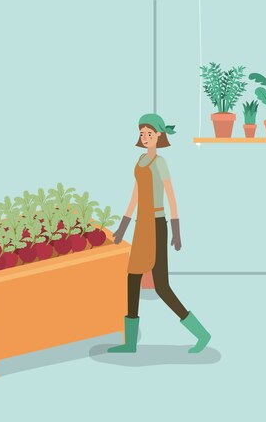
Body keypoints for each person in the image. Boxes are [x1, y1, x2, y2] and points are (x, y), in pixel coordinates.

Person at [108, 113, 211, 353]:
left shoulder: (160, 163)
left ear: (159, 136)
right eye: (142, 133)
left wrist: (175, 229)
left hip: (156, 224)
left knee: (162, 287)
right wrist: (123, 226)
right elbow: (135, 196)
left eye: (149, 134)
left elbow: (171, 196)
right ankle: (130, 343)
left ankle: (201, 334)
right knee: (132, 278)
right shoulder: (140, 161)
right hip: (141, 225)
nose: (145, 138)